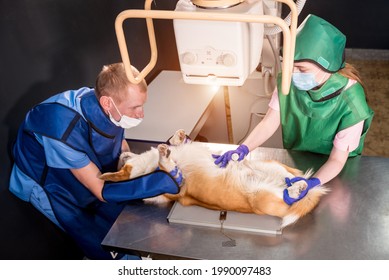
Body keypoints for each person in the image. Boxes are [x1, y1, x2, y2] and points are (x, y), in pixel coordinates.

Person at [9, 63, 180, 259]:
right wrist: (158, 182)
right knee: (94, 236)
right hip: (47, 180)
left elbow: (118, 140)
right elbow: (100, 190)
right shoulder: (62, 127)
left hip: (81, 165)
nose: (141, 114)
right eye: (135, 107)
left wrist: (130, 162)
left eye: (142, 105)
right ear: (108, 103)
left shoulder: (109, 105)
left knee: (124, 217)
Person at [213, 15, 374, 204]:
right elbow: (268, 124)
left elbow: (337, 160)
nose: (293, 74)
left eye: (302, 69)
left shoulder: (352, 104)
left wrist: (311, 183)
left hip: (338, 168)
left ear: (327, 66)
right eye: (291, 67)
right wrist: (243, 149)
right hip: (298, 157)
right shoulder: (287, 83)